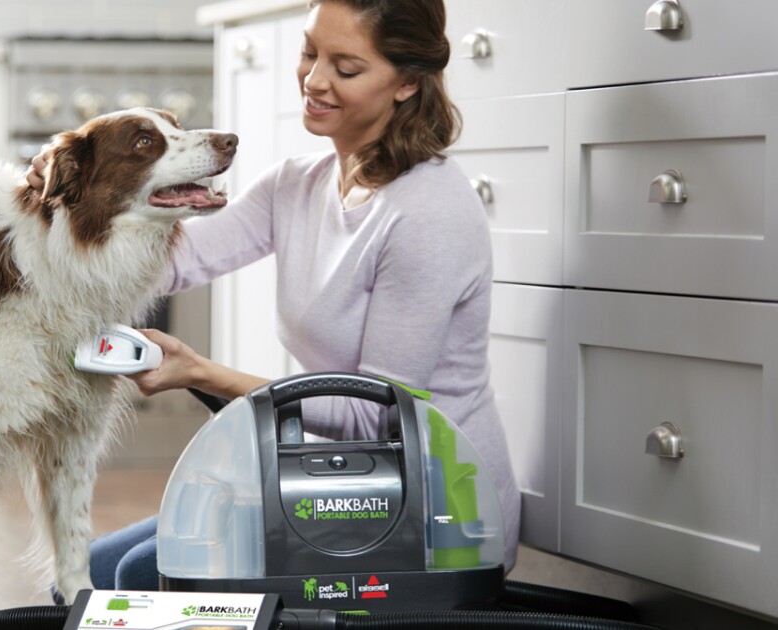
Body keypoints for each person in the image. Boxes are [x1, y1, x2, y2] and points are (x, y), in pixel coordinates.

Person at [28, 0, 521, 592]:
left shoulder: (428, 213)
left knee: (138, 576)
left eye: (346, 67)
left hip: (436, 507)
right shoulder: (298, 184)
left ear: (407, 83)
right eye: (310, 53)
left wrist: (199, 373)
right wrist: (65, 195)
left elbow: (372, 415)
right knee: (84, 577)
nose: (314, 80)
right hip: (348, 481)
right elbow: (171, 263)